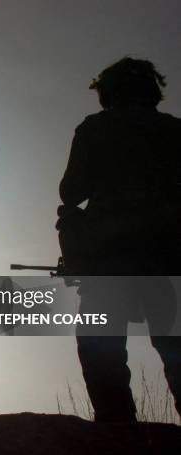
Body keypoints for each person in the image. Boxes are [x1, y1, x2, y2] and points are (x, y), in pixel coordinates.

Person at [59, 57, 181, 422]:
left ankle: (116, 431)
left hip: (107, 257)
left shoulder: (95, 128)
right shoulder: (174, 130)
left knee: (101, 347)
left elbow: (71, 192)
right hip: (168, 256)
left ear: (107, 93)